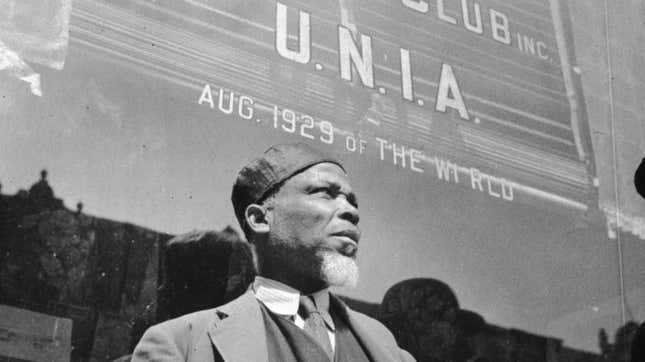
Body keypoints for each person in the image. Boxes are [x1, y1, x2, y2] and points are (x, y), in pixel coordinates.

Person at [131, 143, 415, 361]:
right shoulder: (179, 345)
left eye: (351, 200)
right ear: (261, 218)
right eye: (325, 193)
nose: (351, 210)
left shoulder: (391, 350)